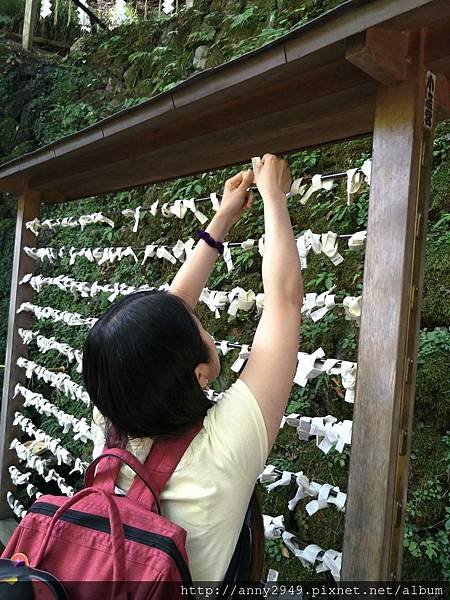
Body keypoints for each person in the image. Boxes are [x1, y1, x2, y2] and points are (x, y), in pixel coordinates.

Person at [83, 153, 303, 583]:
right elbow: (284, 301)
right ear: (200, 375)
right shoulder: (223, 452)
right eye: (198, 326)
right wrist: (275, 198)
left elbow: (164, 322)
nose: (197, 319)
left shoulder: (114, 415)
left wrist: (222, 218)